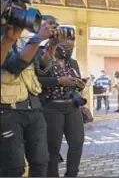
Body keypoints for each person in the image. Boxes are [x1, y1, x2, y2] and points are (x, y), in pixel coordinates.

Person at [0, 20, 57, 177]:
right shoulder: (6, 40)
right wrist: (37, 38)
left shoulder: (24, 41)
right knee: (13, 167)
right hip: (7, 111)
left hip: (34, 108)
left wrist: (52, 46)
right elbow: (14, 66)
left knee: (41, 162)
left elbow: (41, 69)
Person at [36, 26, 86, 177]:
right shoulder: (42, 56)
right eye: (65, 44)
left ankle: (71, 174)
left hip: (73, 107)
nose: (69, 48)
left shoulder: (73, 62)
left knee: (77, 144)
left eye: (72, 45)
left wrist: (79, 84)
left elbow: (76, 80)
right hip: (52, 108)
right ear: (57, 41)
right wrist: (59, 81)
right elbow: (36, 80)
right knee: (53, 149)